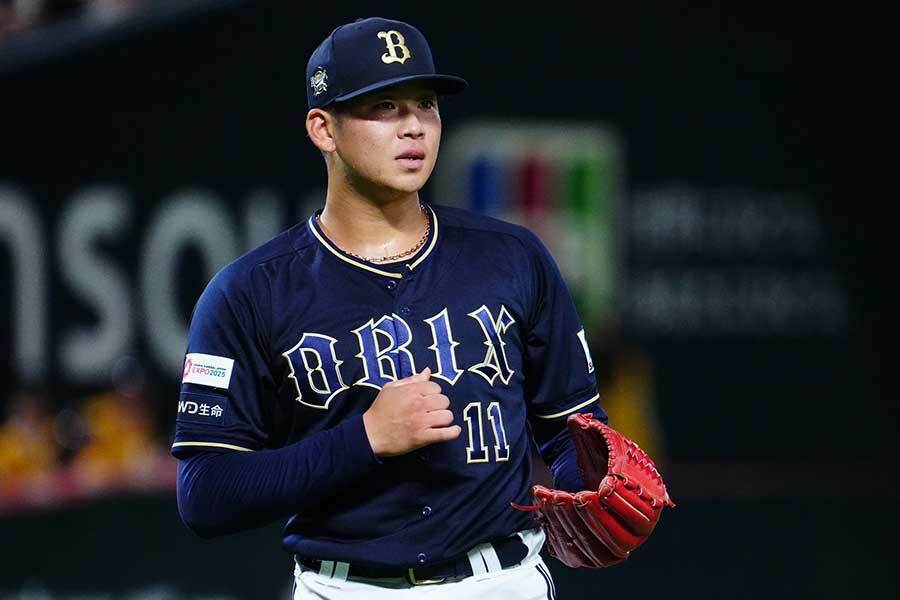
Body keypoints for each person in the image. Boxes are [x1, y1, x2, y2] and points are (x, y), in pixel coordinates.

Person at [173, 16, 607, 599]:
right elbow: (206, 493)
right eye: (383, 107)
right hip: (345, 589)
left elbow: (572, 430)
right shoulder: (247, 293)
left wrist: (592, 489)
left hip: (499, 581)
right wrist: (365, 438)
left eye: (425, 105)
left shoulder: (513, 257)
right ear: (323, 129)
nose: (414, 128)